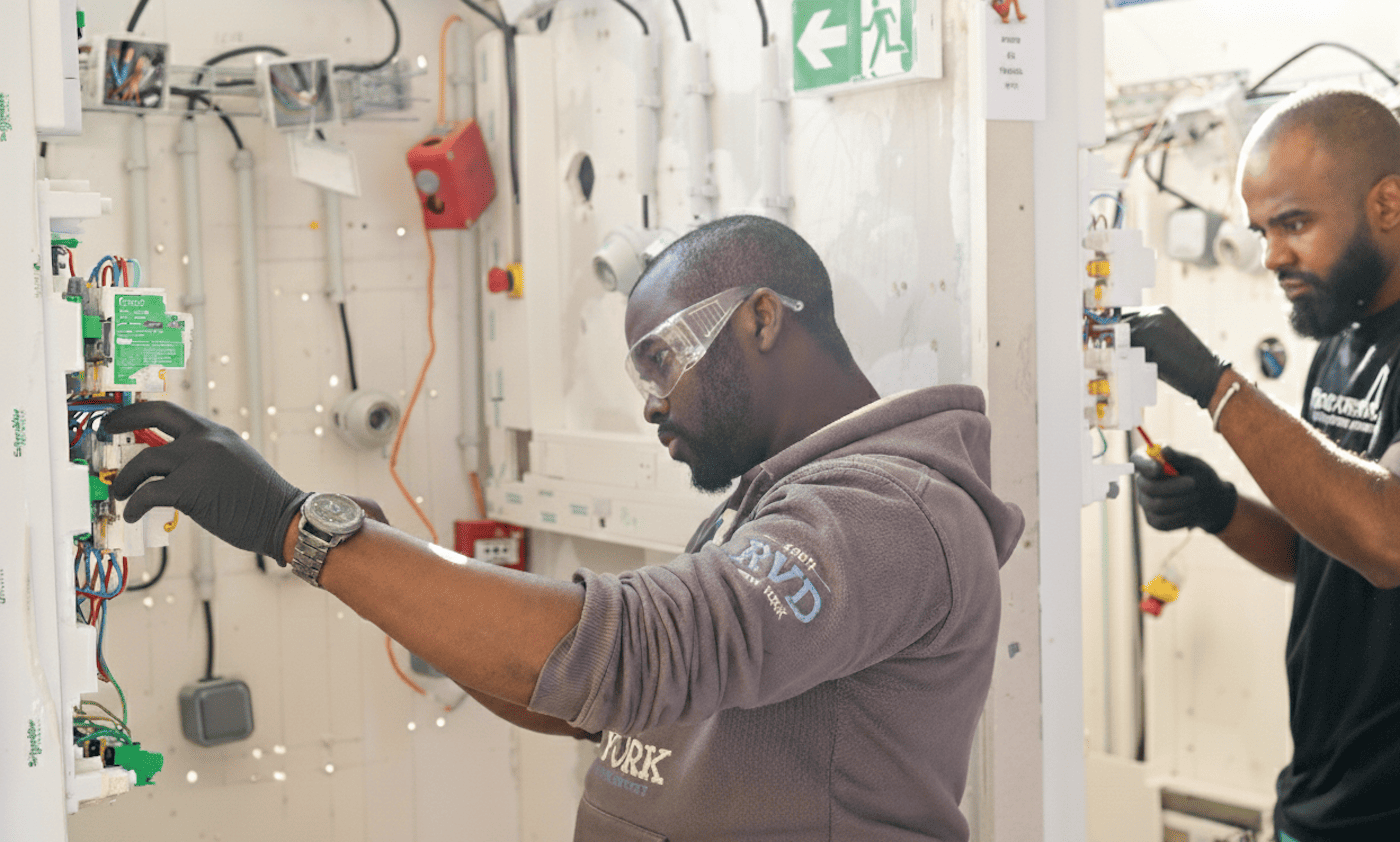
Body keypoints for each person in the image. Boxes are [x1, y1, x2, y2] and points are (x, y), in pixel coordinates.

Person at [103, 215, 1022, 841]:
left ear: (761, 318)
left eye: (660, 361)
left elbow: (633, 652)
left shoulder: (888, 511)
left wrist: (298, 527)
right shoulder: (776, 504)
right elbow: (582, 695)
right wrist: (365, 560)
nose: (653, 405)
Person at [1126, 89, 1400, 842]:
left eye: (1295, 223)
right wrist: (1219, 510)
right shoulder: (1341, 344)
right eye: (1261, 231)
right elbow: (1326, 552)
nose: (1272, 255)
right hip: (1320, 793)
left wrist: (1217, 387)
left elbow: (1386, 541)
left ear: (1388, 203)